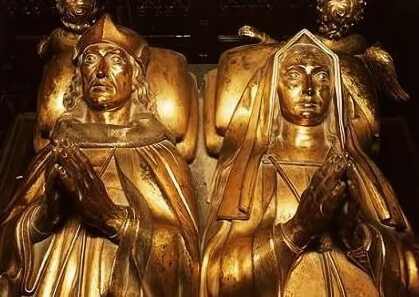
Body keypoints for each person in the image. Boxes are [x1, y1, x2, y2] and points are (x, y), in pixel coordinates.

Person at [200, 30, 419, 297]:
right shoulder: (249, 170)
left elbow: (410, 270)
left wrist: (358, 240)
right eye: (293, 75)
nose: (309, 88)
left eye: (322, 75)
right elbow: (219, 277)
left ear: (335, 92)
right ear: (273, 88)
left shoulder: (361, 171)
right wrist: (297, 230)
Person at [0, 15, 199, 296]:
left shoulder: (158, 152)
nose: (102, 71)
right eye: (91, 59)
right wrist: (44, 218)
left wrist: (112, 218)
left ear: (135, 79)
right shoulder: (57, 149)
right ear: (79, 77)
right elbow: (7, 236)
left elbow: (184, 252)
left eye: (116, 60)